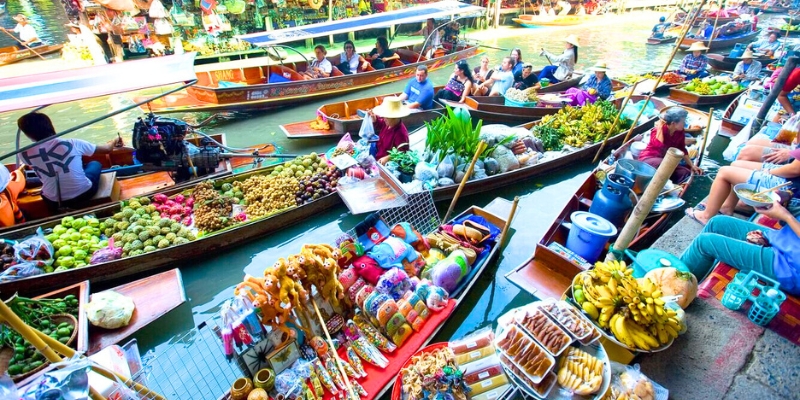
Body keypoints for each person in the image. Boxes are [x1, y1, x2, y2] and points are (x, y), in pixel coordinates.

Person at [680, 204, 799, 294]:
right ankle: (688, 278)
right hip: (787, 240)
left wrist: (786, 216)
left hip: (789, 266)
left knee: (704, 243)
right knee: (717, 222)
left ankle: (677, 290)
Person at [18, 112, 122, 211]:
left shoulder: (23, 154)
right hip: (84, 193)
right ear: (50, 126)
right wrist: (115, 140)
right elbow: (107, 149)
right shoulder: (73, 143)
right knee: (95, 164)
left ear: (28, 134)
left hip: (52, 200)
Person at [686, 147, 800, 225]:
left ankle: (706, 216)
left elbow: (794, 169)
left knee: (724, 172)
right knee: (736, 165)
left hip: (792, 185)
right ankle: (726, 208)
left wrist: (769, 172)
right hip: (793, 178)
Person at [638, 107, 703, 184]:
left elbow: (682, 149)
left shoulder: (679, 132)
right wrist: (660, 128)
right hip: (650, 159)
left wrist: (692, 165)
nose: (684, 124)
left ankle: (666, 185)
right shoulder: (657, 131)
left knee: (685, 172)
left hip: (667, 162)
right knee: (665, 165)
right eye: (683, 122)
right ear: (673, 123)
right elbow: (659, 145)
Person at [368, 97, 411, 164]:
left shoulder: (401, 133)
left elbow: (402, 152)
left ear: (395, 117)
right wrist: (374, 119)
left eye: (387, 117)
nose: (384, 119)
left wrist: (388, 158)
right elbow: (380, 123)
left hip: (383, 161)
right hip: (378, 150)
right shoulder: (388, 123)